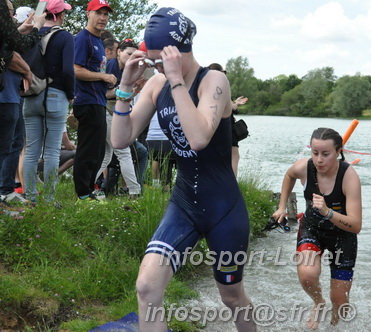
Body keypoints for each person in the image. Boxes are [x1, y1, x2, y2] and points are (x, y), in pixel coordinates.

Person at [111, 7, 255, 331]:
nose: (156, 66)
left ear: (180, 50)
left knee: (231, 297)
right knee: (146, 288)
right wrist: (124, 87)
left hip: (224, 208)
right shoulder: (156, 85)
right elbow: (120, 139)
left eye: (161, 59)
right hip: (184, 205)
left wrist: (176, 81)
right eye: (152, 60)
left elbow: (199, 137)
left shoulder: (214, 81)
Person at [272, 127, 362, 329]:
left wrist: (328, 212)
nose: (319, 159)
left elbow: (356, 226)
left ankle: (334, 325)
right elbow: (289, 175)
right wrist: (281, 207)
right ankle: (319, 302)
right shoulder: (305, 167)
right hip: (312, 229)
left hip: (343, 237)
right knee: (307, 274)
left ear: (338, 152)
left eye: (325, 154)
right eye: (315, 153)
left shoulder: (349, 177)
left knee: (340, 304)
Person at [22, 0, 74, 204]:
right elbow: (69, 71)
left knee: (32, 150)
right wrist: (71, 94)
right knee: (52, 149)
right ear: (60, 15)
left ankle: (30, 197)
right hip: (55, 96)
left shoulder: (31, 35)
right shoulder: (65, 37)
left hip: (31, 96)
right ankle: (49, 199)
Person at [0, 0, 46, 208]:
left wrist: (20, 30)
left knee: (15, 144)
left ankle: (6, 191)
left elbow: (9, 45)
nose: (9, 17)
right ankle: (5, 191)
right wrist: (36, 27)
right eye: (9, 14)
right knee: (6, 146)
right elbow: (14, 52)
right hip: (5, 96)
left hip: (11, 94)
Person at [72, 0, 116, 201]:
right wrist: (103, 77)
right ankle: (82, 193)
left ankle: (89, 190)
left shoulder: (99, 40)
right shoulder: (83, 38)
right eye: (99, 13)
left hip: (98, 100)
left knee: (98, 151)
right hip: (86, 101)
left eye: (106, 14)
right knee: (88, 150)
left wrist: (107, 82)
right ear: (88, 13)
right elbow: (76, 70)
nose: (103, 18)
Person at [96, 38, 142, 198]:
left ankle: (88, 188)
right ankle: (134, 191)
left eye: (135, 55)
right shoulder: (111, 66)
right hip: (105, 112)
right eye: (129, 54)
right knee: (123, 152)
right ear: (119, 52)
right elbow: (105, 94)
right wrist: (123, 90)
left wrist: (134, 90)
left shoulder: (124, 70)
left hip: (112, 113)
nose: (132, 58)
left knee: (107, 155)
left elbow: (122, 98)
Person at [207, 63, 247, 177]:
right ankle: (232, 185)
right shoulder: (222, 86)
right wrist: (236, 104)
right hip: (226, 127)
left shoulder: (204, 87)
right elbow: (230, 108)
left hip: (211, 126)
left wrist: (234, 102)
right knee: (234, 156)